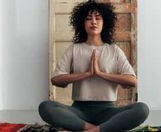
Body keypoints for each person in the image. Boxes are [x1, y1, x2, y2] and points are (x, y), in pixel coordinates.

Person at [39, 1, 149, 132]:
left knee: (142, 109)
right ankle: (96, 130)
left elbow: (132, 81)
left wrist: (100, 74)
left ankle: (86, 130)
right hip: (78, 112)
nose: (94, 22)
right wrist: (87, 74)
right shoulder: (75, 49)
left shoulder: (114, 50)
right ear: (82, 23)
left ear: (105, 22)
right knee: (45, 107)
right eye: (88, 18)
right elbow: (56, 80)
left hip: (108, 112)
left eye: (98, 18)